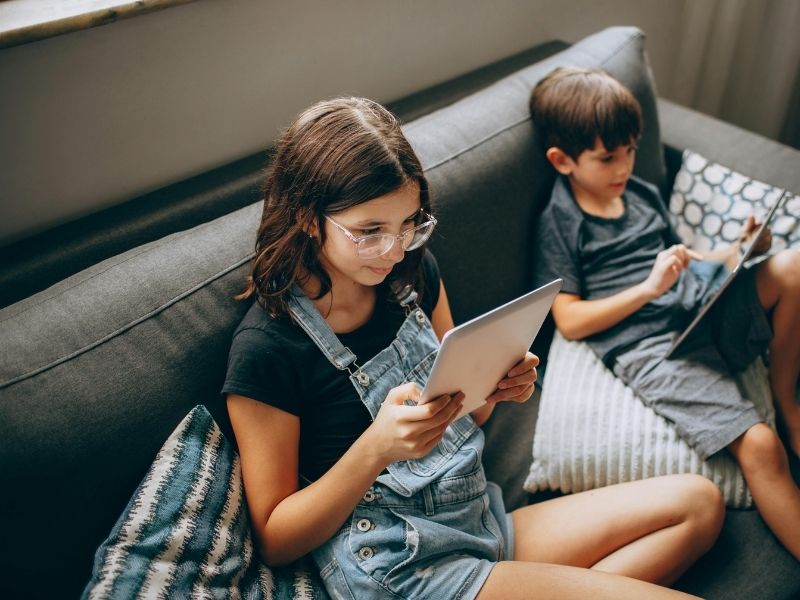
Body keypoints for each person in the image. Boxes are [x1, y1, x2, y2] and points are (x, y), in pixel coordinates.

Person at [223, 96, 723, 600]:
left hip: (475, 523)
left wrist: (495, 388)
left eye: (408, 225)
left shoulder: (412, 275)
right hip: (400, 567)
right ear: (309, 218)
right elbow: (274, 539)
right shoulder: (268, 346)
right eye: (369, 232)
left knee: (699, 505)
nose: (394, 251)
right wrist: (377, 448)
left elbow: (468, 420)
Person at [529, 66, 800, 562]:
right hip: (652, 348)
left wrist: (740, 248)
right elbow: (567, 320)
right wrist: (648, 288)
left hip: (698, 305)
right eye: (608, 157)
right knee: (761, 447)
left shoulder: (639, 195)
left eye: (631, 150)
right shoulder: (560, 222)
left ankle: (785, 397)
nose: (624, 166)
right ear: (562, 160)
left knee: (793, 267)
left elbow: (685, 259)